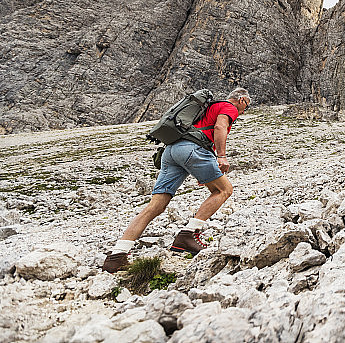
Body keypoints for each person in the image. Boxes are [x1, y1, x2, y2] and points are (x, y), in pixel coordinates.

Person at [102, 87, 251, 273]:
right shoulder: (229, 107)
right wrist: (221, 155)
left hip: (171, 151)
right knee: (224, 190)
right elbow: (220, 126)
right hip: (192, 149)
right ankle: (188, 235)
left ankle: (117, 256)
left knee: (155, 206)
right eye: (246, 106)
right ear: (242, 100)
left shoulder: (208, 107)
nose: (243, 111)